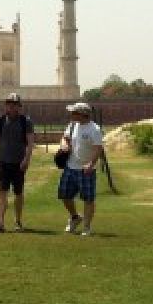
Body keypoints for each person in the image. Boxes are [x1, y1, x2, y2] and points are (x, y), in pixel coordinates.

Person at [0, 92, 36, 233]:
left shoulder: (25, 121)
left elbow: (30, 143)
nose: (11, 107)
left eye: (14, 105)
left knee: (18, 193)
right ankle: (0, 222)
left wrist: (26, 160)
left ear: (19, 107)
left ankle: (18, 221)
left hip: (18, 163)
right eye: (9, 104)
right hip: (3, 161)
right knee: (2, 192)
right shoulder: (0, 120)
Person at [57, 101, 104, 236]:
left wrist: (91, 164)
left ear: (82, 114)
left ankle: (87, 227)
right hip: (70, 166)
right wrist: (64, 144)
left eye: (73, 112)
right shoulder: (72, 125)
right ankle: (75, 217)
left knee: (88, 199)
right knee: (64, 195)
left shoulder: (94, 129)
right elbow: (64, 137)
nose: (70, 114)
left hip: (86, 168)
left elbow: (98, 148)